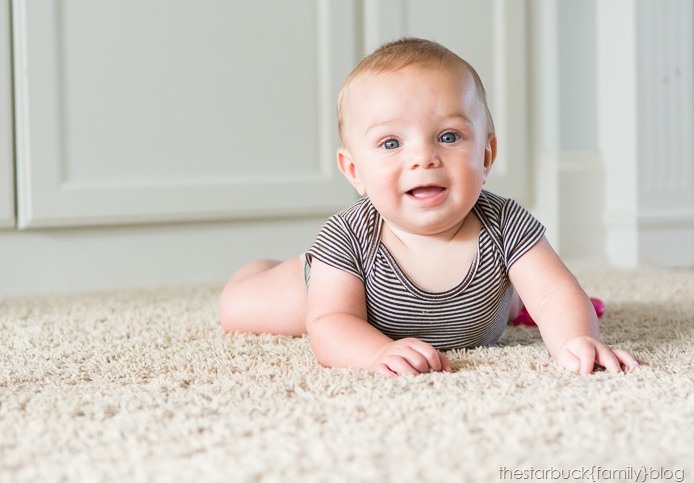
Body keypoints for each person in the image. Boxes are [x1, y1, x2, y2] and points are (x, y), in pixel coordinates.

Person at [219, 37, 640, 377]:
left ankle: (508, 299)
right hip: (332, 288)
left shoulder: (506, 223)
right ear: (354, 170)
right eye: (390, 143)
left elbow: (555, 292)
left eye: (450, 137)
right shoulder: (347, 236)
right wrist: (377, 352)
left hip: (482, 291)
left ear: (487, 156)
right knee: (236, 309)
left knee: (537, 288)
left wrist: (574, 338)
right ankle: (261, 268)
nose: (424, 158)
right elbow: (329, 324)